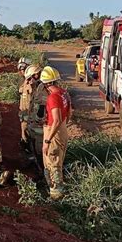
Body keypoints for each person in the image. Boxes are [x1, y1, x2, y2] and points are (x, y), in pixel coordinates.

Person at [40, 66, 71, 200]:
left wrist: (47, 141)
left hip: (54, 130)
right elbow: (69, 113)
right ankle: (58, 190)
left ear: (46, 84)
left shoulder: (53, 97)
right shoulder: (63, 93)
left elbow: (56, 120)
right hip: (62, 129)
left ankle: (56, 196)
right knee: (58, 161)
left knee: (52, 162)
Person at [25, 65, 47, 169]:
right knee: (35, 150)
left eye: (30, 79)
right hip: (33, 127)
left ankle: (43, 174)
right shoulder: (36, 88)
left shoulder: (42, 89)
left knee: (41, 153)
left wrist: (38, 119)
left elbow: (42, 107)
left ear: (36, 75)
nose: (28, 81)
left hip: (40, 129)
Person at [18, 58, 33, 153]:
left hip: (30, 115)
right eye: (20, 69)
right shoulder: (24, 81)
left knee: (30, 136)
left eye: (24, 69)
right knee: (24, 133)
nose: (22, 71)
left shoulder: (33, 83)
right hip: (24, 114)